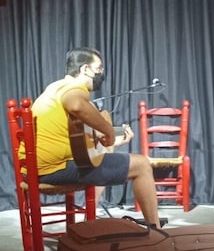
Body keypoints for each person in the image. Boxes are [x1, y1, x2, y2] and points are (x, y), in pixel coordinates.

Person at [28, 47, 161, 228]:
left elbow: (76, 140)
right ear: (85, 69)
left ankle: (89, 224)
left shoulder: (55, 87)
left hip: (37, 167)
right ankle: (156, 233)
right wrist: (109, 131)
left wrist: (109, 140)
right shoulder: (74, 88)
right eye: (99, 68)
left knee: (101, 159)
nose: (102, 73)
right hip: (53, 168)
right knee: (142, 164)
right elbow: (76, 104)